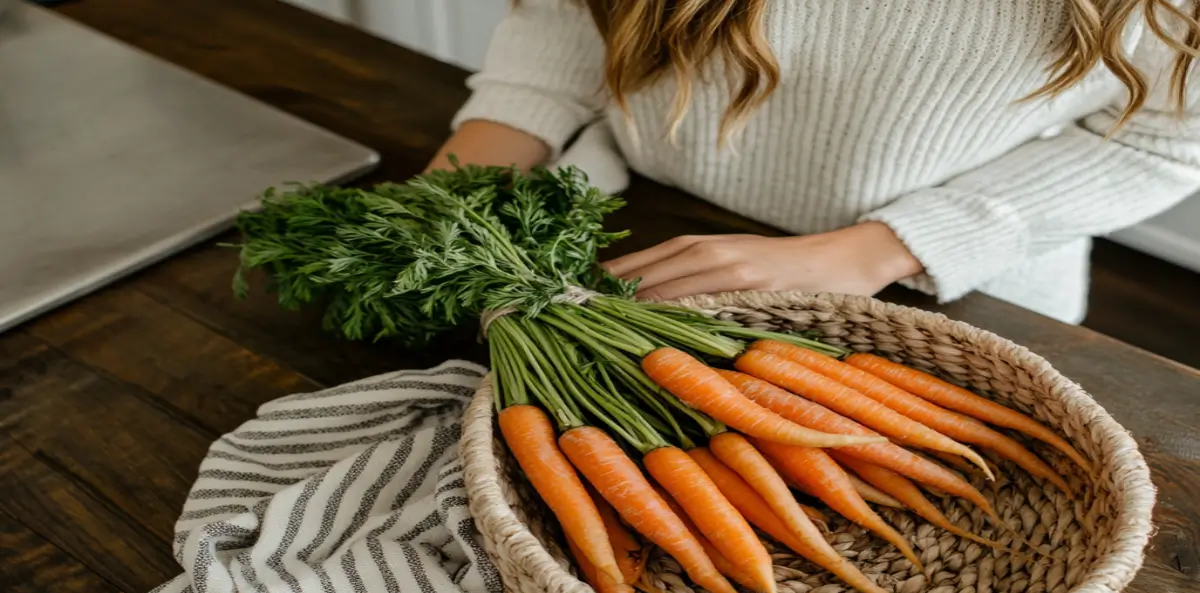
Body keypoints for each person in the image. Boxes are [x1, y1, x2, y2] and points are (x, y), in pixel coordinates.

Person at [427, 0, 1200, 323]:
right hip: (648, 224)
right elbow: (576, 16)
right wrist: (474, 171)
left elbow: (1160, 140)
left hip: (950, 284)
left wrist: (877, 250)